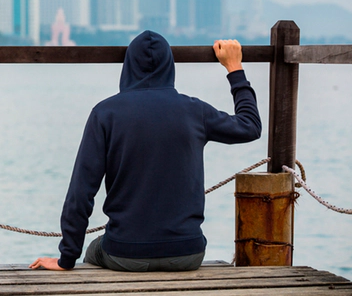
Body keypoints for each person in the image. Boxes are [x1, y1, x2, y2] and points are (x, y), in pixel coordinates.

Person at [29, 31, 261, 272]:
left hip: (125, 253)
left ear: (128, 67)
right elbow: (250, 126)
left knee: (92, 252)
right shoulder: (195, 111)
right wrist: (234, 68)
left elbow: (81, 192)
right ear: (170, 67)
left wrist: (66, 258)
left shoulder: (105, 113)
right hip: (187, 253)